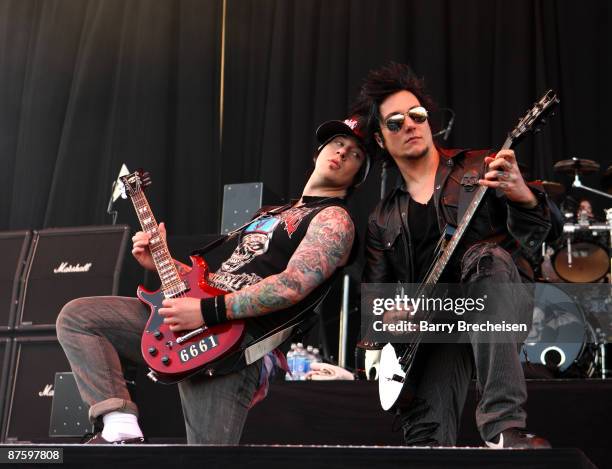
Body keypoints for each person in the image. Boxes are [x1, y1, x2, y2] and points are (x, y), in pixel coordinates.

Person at [56, 117, 370, 444]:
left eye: (355, 154)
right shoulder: (268, 214)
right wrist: (161, 262)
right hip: (192, 322)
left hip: (232, 347)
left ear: (358, 177)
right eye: (337, 143)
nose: (342, 152)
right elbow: (211, 283)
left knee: (206, 460)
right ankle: (119, 422)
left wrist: (208, 313)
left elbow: (293, 285)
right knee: (79, 318)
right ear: (319, 152)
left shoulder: (334, 219)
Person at [352, 63, 560, 448]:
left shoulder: (481, 166)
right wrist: (384, 325)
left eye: (417, 116)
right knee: (425, 442)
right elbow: (376, 299)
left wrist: (523, 195)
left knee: (485, 257)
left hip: (494, 300)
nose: (410, 125)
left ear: (429, 121)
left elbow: (550, 232)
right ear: (381, 140)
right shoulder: (381, 219)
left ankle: (502, 426)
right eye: (395, 123)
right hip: (434, 331)